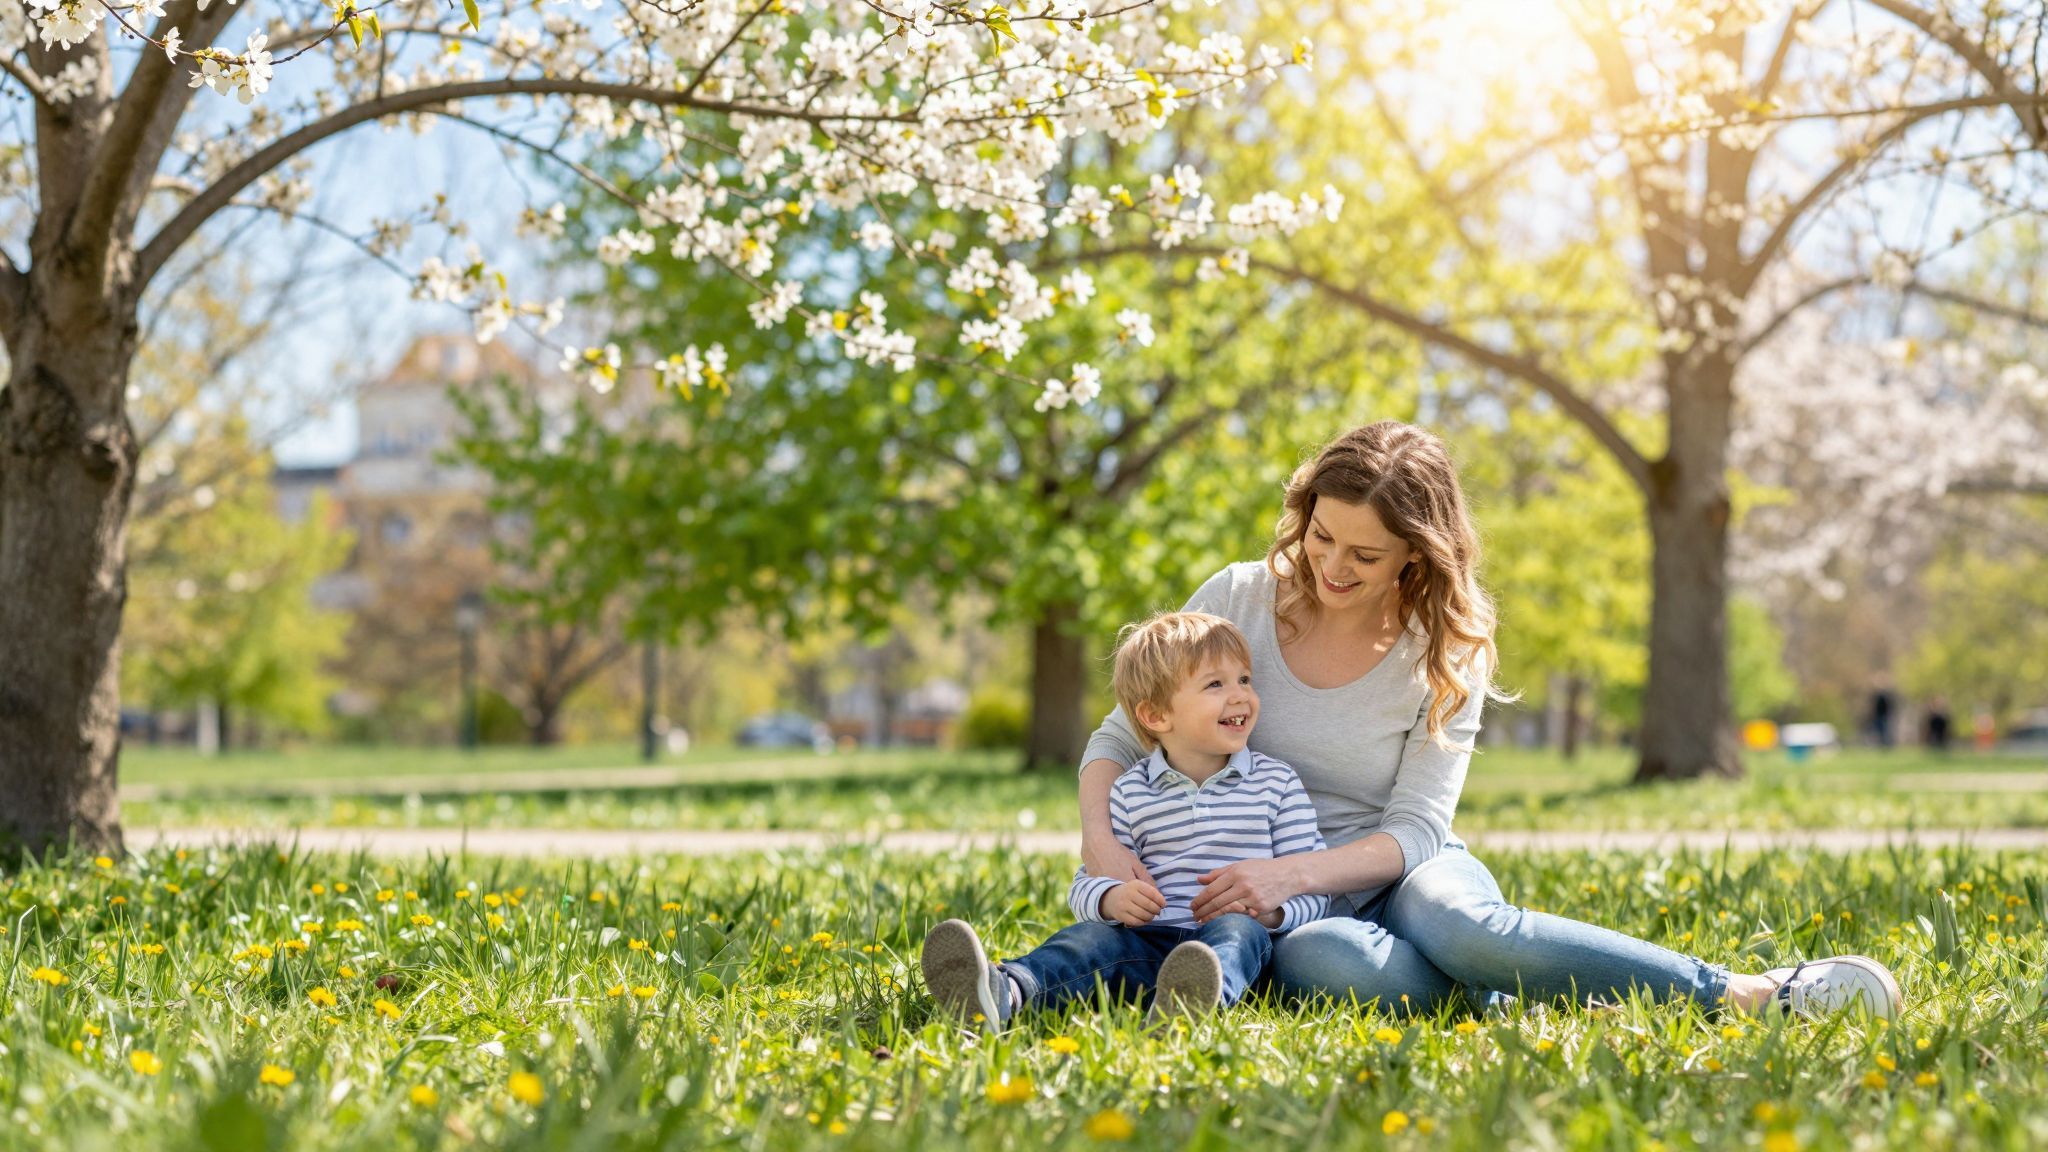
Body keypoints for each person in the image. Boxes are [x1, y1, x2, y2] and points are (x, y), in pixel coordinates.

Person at [1076, 422, 1901, 1020]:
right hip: (1285, 919)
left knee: (1461, 924)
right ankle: (1512, 990)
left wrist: (1291, 873)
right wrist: (1106, 851)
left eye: (1364, 556)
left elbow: (1419, 829)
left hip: (1390, 868)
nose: (1331, 566)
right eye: (1322, 536)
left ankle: (1748, 993)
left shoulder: (1448, 644)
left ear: (1417, 553)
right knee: (1317, 960)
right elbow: (1120, 736)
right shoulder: (1235, 597)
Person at [921, 612, 1330, 1029]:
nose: (1241, 695)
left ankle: (1190, 1011)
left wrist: (1271, 915)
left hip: (1236, 950)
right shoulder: (1132, 791)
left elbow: (1314, 891)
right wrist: (1110, 900)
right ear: (1156, 716)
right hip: (1144, 944)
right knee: (1086, 941)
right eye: (1215, 684)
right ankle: (1004, 991)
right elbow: (1085, 884)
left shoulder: (1277, 783)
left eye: (1244, 679)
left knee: (1237, 933)